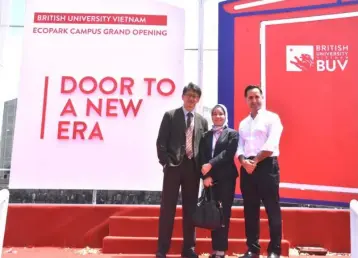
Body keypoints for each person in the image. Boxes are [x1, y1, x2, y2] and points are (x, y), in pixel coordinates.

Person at [156, 82, 209, 258]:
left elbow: (204, 147)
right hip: (173, 168)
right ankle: (162, 249)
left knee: (190, 210)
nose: (191, 99)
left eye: (195, 96)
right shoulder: (170, 116)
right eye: (189, 95)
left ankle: (189, 248)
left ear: (198, 99)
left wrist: (204, 171)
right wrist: (166, 163)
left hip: (193, 169)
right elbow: (161, 142)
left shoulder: (202, 120)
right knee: (168, 209)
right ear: (182, 96)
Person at [235, 85, 283, 258]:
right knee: (250, 210)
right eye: (250, 98)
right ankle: (253, 249)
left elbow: (271, 144)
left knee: (272, 208)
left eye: (257, 97)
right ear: (246, 100)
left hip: (266, 166)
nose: (254, 101)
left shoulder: (272, 118)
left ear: (262, 97)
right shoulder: (243, 123)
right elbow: (239, 146)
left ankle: (275, 250)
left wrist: (254, 161)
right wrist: (243, 161)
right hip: (247, 168)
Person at [199, 104, 239, 258]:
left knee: (224, 214)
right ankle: (215, 248)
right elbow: (202, 156)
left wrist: (210, 164)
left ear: (225, 115)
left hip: (226, 179)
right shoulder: (206, 135)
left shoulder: (232, 134)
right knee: (213, 214)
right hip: (210, 180)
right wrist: (205, 176)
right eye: (215, 114)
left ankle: (221, 250)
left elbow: (228, 154)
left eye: (221, 114)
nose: (217, 116)